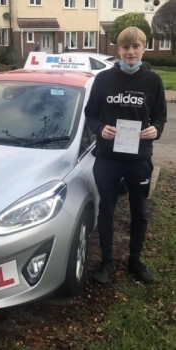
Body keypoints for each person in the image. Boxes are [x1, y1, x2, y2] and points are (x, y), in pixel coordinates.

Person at [85, 27, 167, 284]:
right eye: (125, 47)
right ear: (118, 50)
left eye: (135, 46)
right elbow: (90, 114)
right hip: (108, 158)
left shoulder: (153, 81)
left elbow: (160, 116)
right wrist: (100, 129)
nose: (130, 52)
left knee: (139, 211)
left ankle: (135, 261)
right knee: (106, 209)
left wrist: (157, 129)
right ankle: (107, 262)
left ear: (144, 47)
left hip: (139, 159)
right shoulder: (103, 80)